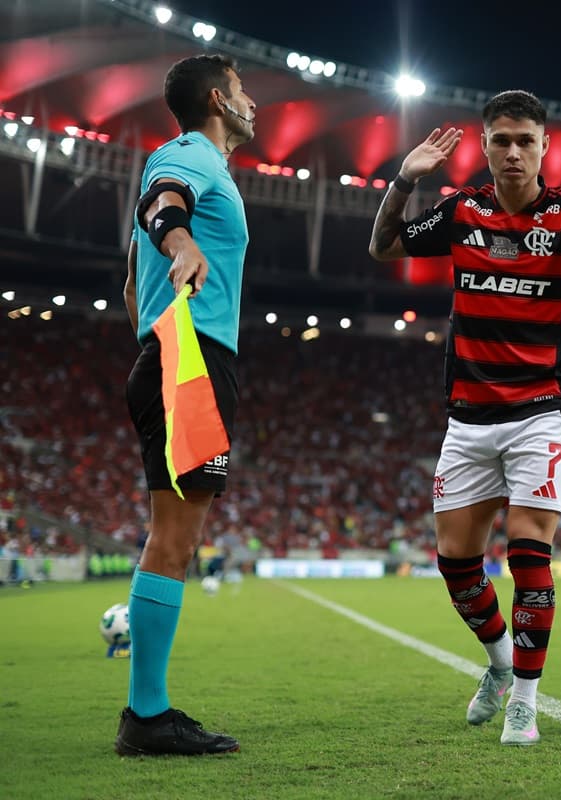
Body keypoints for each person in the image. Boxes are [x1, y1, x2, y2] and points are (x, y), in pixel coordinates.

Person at [368, 89, 561, 746]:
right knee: (457, 565)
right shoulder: (461, 211)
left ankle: (526, 703)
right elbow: (385, 248)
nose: (513, 152)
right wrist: (404, 180)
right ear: (485, 146)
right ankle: (502, 665)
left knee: (530, 555)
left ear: (544, 147)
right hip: (468, 418)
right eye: (501, 140)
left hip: (541, 410)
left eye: (525, 140)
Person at [115, 54, 255, 756]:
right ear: (215, 99)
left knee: (175, 537)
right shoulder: (187, 155)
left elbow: (132, 281)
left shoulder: (201, 163)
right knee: (172, 540)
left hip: (181, 354)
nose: (250, 101)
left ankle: (148, 710)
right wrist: (179, 240)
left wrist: (160, 276)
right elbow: (162, 202)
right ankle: (146, 716)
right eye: (240, 90)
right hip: (188, 357)